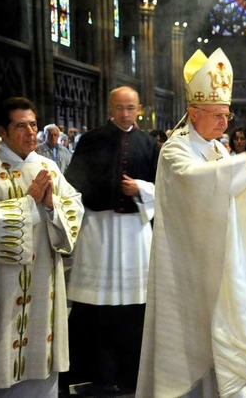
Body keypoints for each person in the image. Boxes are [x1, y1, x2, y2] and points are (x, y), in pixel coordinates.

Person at [137, 48, 246, 398]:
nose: (224, 122)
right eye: (217, 115)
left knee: (219, 338)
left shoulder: (217, 149)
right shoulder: (176, 149)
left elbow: (230, 191)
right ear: (193, 112)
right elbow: (198, 181)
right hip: (186, 262)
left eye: (227, 115)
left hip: (216, 257)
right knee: (189, 341)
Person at [60, 86, 159, 394]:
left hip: (135, 232)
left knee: (134, 307)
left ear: (139, 108)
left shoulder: (149, 144)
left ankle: (131, 376)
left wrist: (140, 189)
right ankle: (94, 374)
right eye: (120, 107)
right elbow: (74, 184)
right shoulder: (91, 141)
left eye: (131, 107)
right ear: (110, 108)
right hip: (99, 230)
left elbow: (165, 188)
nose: (125, 113)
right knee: (95, 307)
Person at [0, 97, 84, 396]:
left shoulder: (48, 167)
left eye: (33, 124)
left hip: (45, 282)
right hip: (2, 286)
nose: (31, 132)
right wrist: (29, 202)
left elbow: (74, 209)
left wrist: (51, 206)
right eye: (20, 125)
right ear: (2, 131)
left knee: (44, 370)